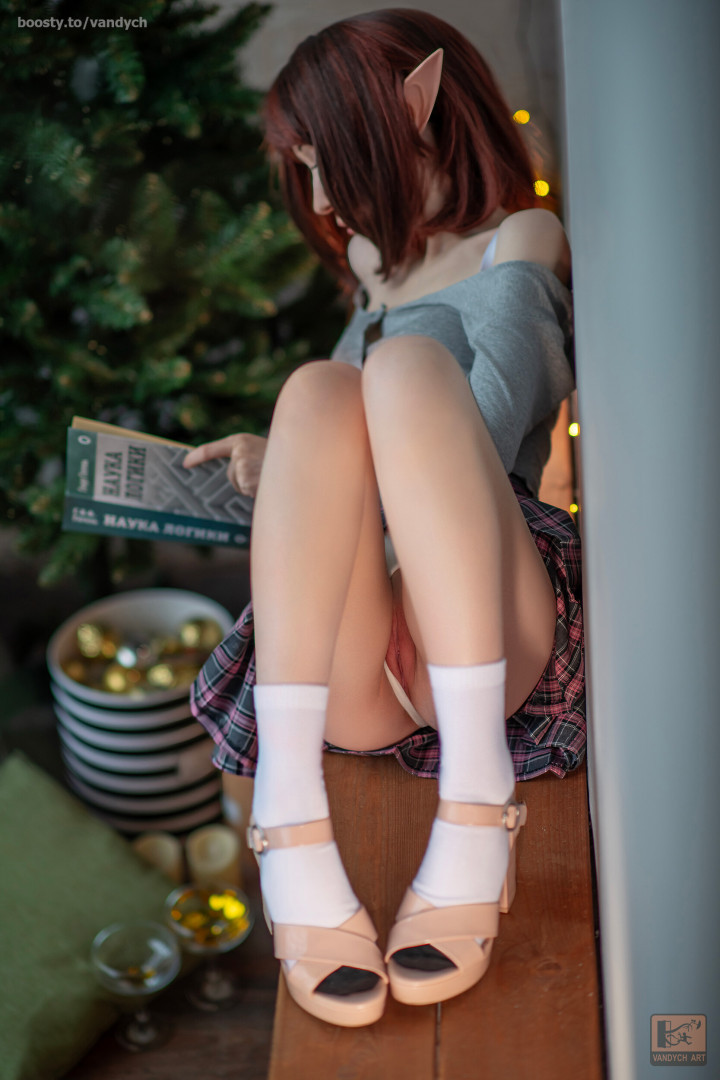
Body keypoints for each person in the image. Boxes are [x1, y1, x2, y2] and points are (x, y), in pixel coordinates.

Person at [185, 8, 585, 1027]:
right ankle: (290, 810)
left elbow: (489, 431)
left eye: (329, 160)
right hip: (361, 672)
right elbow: (348, 449)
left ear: (416, 110)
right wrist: (285, 460)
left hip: (485, 616)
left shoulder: (519, 239)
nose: (321, 199)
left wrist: (396, 344)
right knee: (318, 392)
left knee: (399, 370)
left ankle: (477, 804)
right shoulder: (374, 269)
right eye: (307, 171)